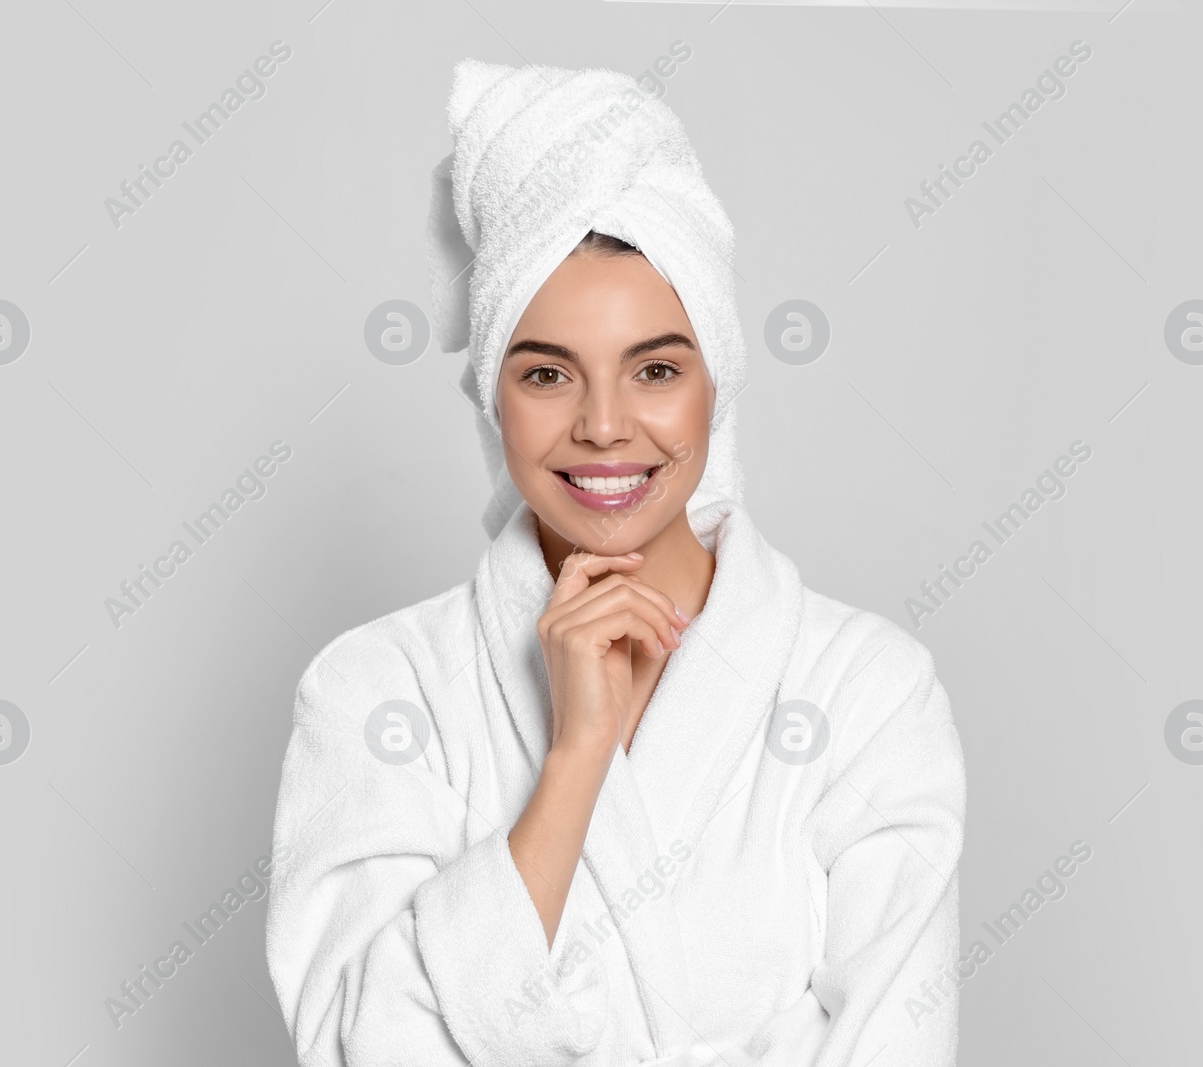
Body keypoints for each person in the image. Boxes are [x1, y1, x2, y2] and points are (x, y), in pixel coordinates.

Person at [265, 57, 966, 1067]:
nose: (602, 425)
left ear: (715, 384)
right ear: (489, 395)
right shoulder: (373, 690)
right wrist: (573, 761)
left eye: (656, 368)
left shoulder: (865, 691)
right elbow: (360, 1049)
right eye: (546, 371)